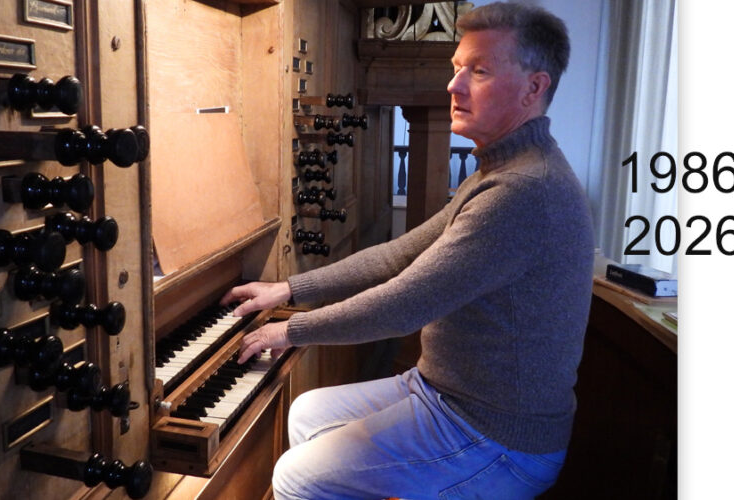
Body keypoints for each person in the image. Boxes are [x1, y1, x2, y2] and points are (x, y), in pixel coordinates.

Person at [221, 2, 594, 498]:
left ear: (534, 86)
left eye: (478, 71)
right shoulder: (500, 172)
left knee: (296, 476)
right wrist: (289, 287)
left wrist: (291, 329)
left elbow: (406, 303)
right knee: (309, 414)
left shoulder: (524, 190)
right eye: (457, 67)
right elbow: (399, 256)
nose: (454, 86)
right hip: (445, 392)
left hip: (495, 434)